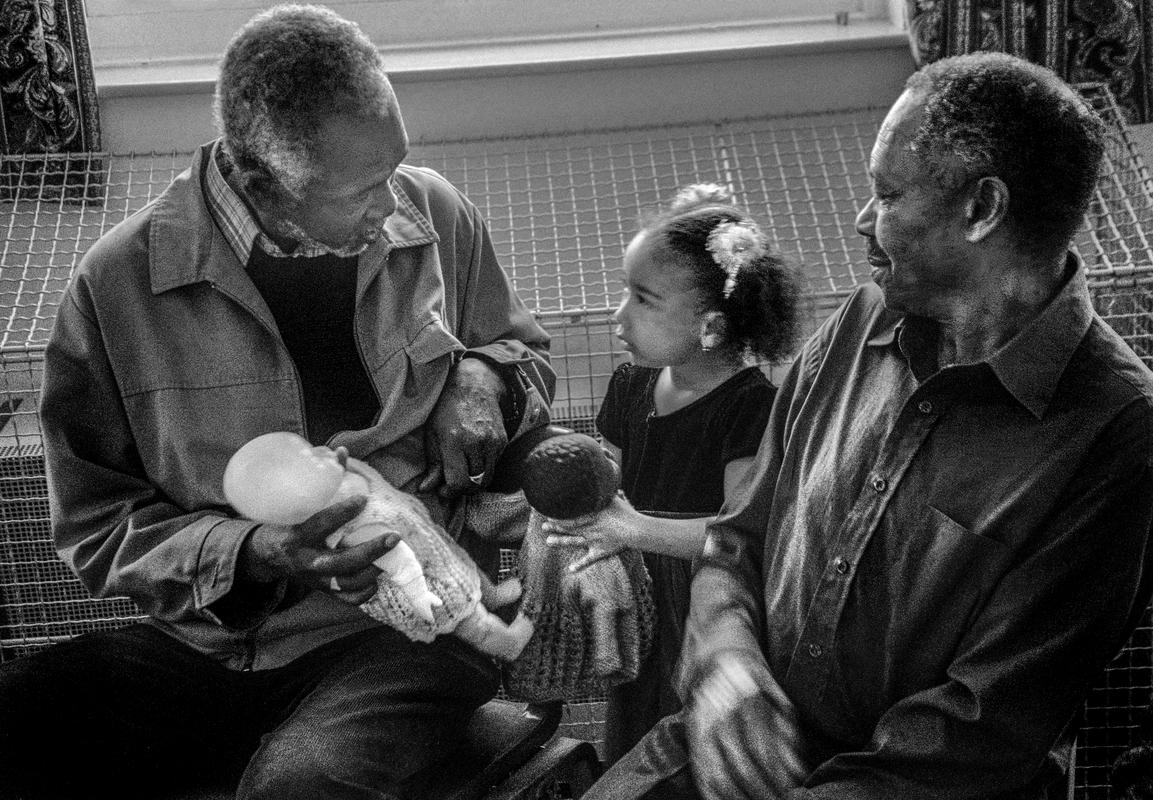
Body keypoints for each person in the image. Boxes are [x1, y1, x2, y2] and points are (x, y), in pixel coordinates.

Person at [0, 5, 554, 799]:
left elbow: (523, 356)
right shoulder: (114, 284)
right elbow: (96, 527)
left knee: (303, 786)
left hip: (406, 633)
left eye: (396, 167)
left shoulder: (433, 211)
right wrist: (257, 552)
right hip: (207, 640)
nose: (392, 204)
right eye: (364, 189)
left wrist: (486, 376)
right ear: (262, 180)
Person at [583, 51, 1153, 800]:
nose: (861, 219)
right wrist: (724, 658)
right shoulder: (857, 320)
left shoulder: (1116, 433)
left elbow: (981, 733)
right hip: (726, 752)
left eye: (885, 194)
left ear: (981, 210)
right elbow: (737, 537)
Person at [540, 183, 801, 764]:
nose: (618, 314)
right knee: (633, 740)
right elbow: (608, 486)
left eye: (643, 298)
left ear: (710, 326)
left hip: (707, 608)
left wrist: (634, 531)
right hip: (638, 599)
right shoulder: (630, 385)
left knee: (688, 746)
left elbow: (745, 535)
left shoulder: (749, 409)